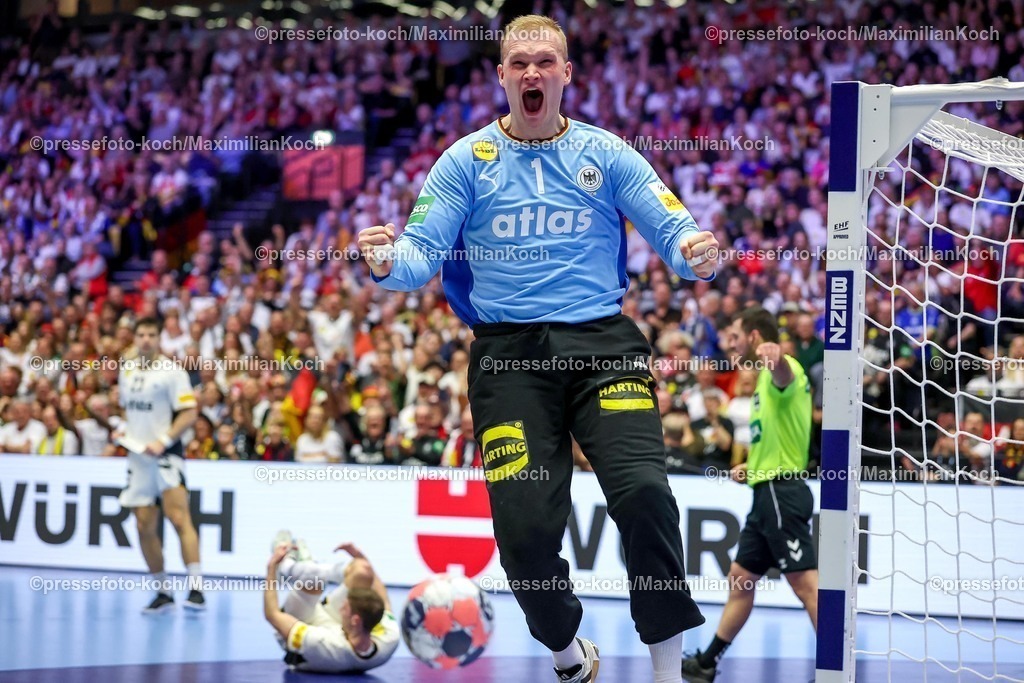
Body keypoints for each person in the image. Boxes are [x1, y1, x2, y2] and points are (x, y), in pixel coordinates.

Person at [358, 15, 718, 683]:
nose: (532, 72)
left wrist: (697, 253)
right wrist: (385, 262)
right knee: (524, 537)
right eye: (519, 62)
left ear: (566, 74)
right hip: (508, 358)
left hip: (603, 346)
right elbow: (417, 258)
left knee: (644, 493)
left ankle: (669, 670)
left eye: (545, 61)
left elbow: (675, 228)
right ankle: (566, 652)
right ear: (501, 75)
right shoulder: (466, 161)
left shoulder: (606, 153)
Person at [682, 308, 816, 682]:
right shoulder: (759, 384)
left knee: (805, 584)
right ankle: (707, 662)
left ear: (755, 337)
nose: (731, 342)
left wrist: (776, 359)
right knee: (741, 578)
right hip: (765, 490)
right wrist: (751, 468)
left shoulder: (782, 368)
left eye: (737, 336)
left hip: (781, 492)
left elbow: (785, 375)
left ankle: (837, 664)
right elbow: (777, 439)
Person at [117, 317, 204, 613]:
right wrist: (121, 429)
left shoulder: (172, 371)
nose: (145, 340)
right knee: (143, 525)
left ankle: (196, 589)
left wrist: (164, 440)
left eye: (151, 334)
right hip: (137, 457)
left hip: (166, 455)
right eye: (140, 334)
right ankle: (163, 591)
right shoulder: (126, 370)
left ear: (159, 338)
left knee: (179, 518)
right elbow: (128, 409)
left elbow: (189, 413)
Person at [264, 532, 399, 674]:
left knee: (313, 583)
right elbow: (384, 600)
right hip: (342, 627)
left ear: (355, 619)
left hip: (301, 627)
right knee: (363, 571)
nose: (342, 606)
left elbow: (272, 615)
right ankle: (311, 567)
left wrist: (272, 567)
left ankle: (289, 566)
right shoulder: (389, 637)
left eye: (345, 606)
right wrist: (359, 556)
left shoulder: (323, 644)